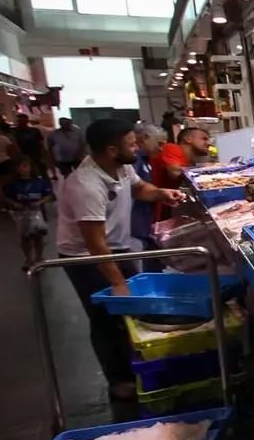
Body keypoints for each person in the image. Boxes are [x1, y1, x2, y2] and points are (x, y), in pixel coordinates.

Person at [55, 118, 185, 401]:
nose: (137, 146)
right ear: (112, 150)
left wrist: (162, 193)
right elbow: (95, 243)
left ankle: (138, 367)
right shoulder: (86, 185)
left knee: (129, 311)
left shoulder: (122, 166)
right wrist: (116, 282)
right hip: (84, 257)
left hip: (117, 246)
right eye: (131, 143)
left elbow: (139, 189)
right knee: (105, 315)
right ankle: (119, 380)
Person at [5, 156, 53, 268]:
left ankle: (39, 257)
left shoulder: (40, 181)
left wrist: (39, 202)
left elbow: (49, 195)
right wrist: (14, 203)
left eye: (25, 166)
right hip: (21, 214)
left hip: (37, 212)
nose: (23, 169)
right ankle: (28, 259)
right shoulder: (12, 184)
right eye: (20, 167)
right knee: (24, 237)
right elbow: (7, 197)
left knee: (38, 236)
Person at [131, 123, 165, 248]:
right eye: (159, 143)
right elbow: (135, 188)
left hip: (145, 224)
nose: (161, 149)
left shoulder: (145, 160)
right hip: (134, 227)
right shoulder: (134, 159)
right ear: (145, 138)